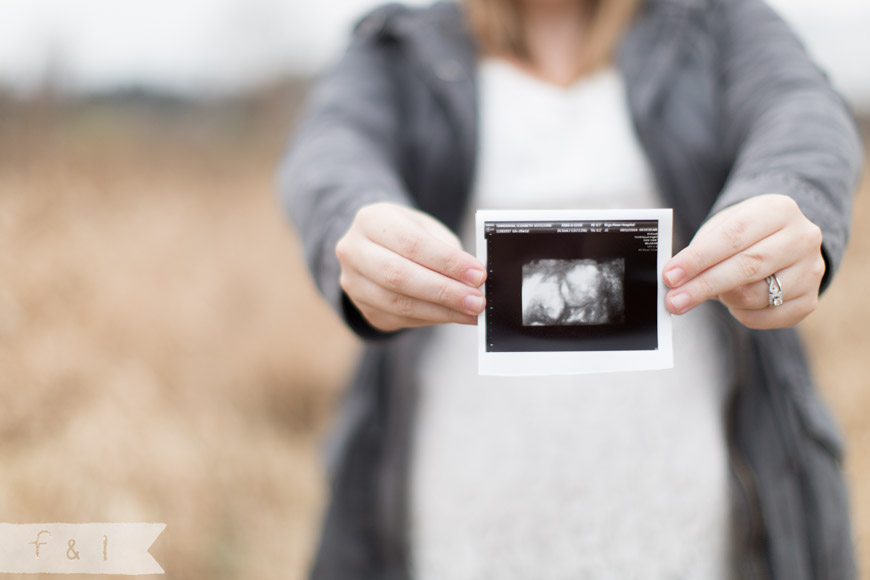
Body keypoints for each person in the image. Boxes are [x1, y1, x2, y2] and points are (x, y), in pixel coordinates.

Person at [279, 0, 864, 578]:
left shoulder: (723, 22)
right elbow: (329, 155)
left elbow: (804, 117)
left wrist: (789, 203)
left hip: (697, 516)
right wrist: (357, 221)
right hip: (457, 516)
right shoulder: (395, 45)